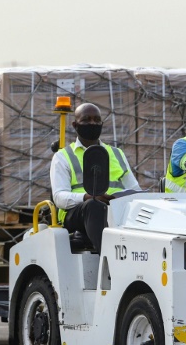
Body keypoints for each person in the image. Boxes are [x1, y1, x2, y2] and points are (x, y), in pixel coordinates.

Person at [50, 103, 141, 253]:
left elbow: (135, 190)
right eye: (86, 120)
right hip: (77, 214)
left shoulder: (117, 153)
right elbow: (59, 197)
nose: (92, 123)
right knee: (94, 206)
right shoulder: (63, 157)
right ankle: (108, 258)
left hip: (115, 209)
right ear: (75, 125)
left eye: (97, 120)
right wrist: (87, 197)